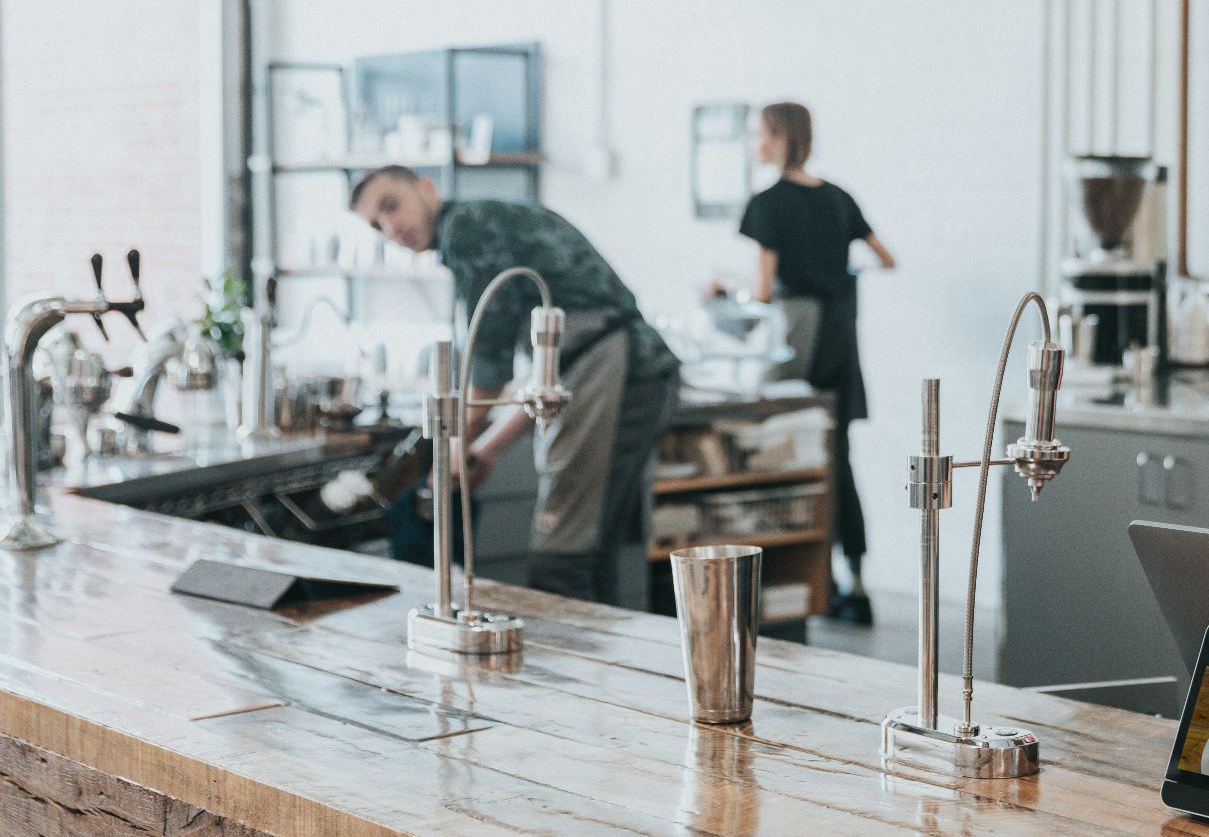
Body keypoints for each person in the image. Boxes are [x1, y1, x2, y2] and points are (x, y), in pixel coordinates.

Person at [351, 166, 681, 604]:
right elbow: (545, 380)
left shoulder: (467, 230)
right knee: (586, 548)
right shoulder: (487, 223)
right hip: (622, 368)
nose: (391, 228)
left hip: (620, 365)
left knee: (562, 554)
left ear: (427, 189)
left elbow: (489, 369)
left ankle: (569, 667)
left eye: (391, 205)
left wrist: (452, 448)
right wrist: (485, 450)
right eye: (377, 225)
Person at [737, 102, 896, 624]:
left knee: (783, 454)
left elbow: (762, 292)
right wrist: (840, 271)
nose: (754, 142)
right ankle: (855, 581)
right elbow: (886, 258)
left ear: (780, 136)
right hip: (839, 336)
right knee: (837, 459)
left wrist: (724, 290)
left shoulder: (767, 203)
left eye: (759, 133)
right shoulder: (838, 198)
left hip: (797, 338)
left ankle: (801, 582)